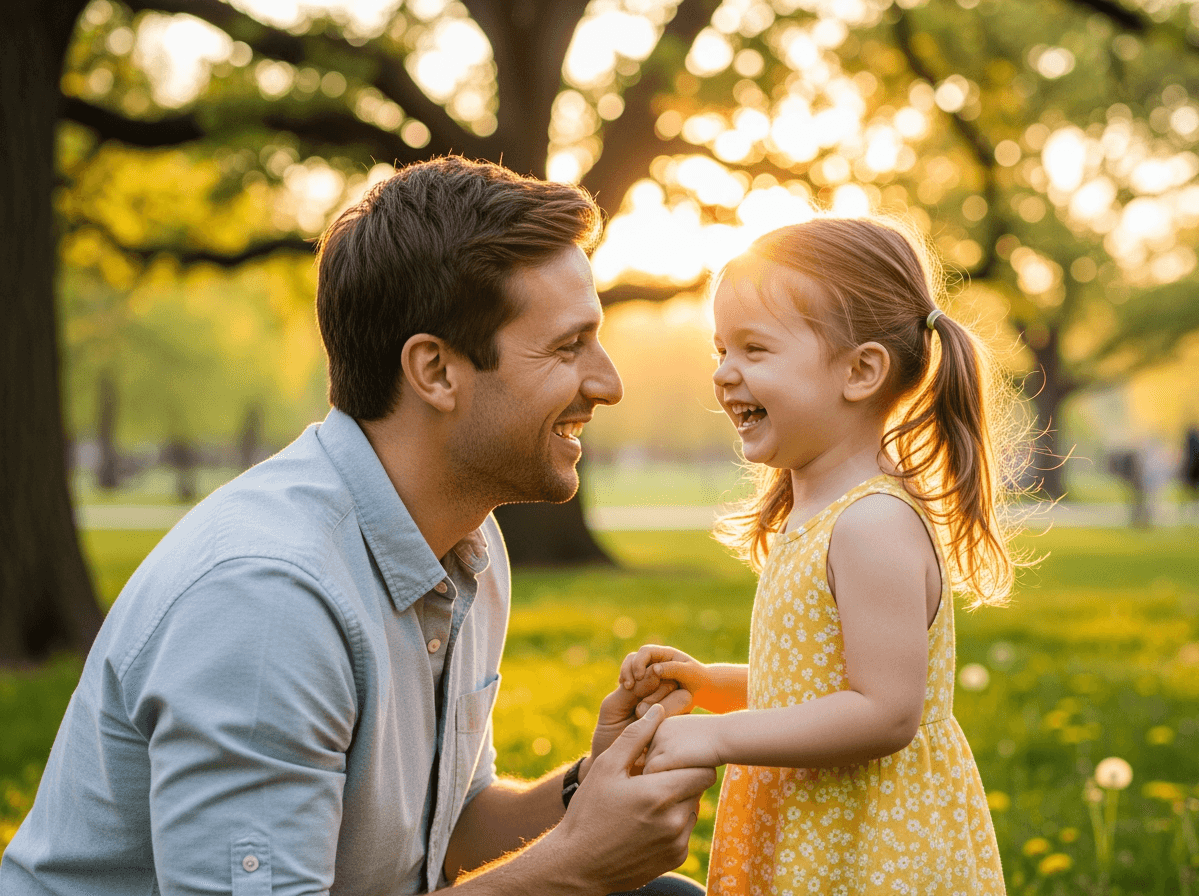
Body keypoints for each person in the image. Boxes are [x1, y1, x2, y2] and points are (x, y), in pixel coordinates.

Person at [0, 157, 715, 896]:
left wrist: (586, 789)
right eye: (569, 346)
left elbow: (450, 831)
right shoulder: (268, 599)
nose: (609, 383)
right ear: (435, 371)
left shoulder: (465, 546)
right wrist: (574, 863)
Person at [619, 217, 1014, 895]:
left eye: (754, 349)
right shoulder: (821, 516)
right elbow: (819, 688)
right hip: (819, 826)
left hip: (871, 845)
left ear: (859, 371)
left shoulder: (872, 524)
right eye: (720, 349)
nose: (724, 373)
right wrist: (711, 684)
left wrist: (721, 737)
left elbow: (885, 711)